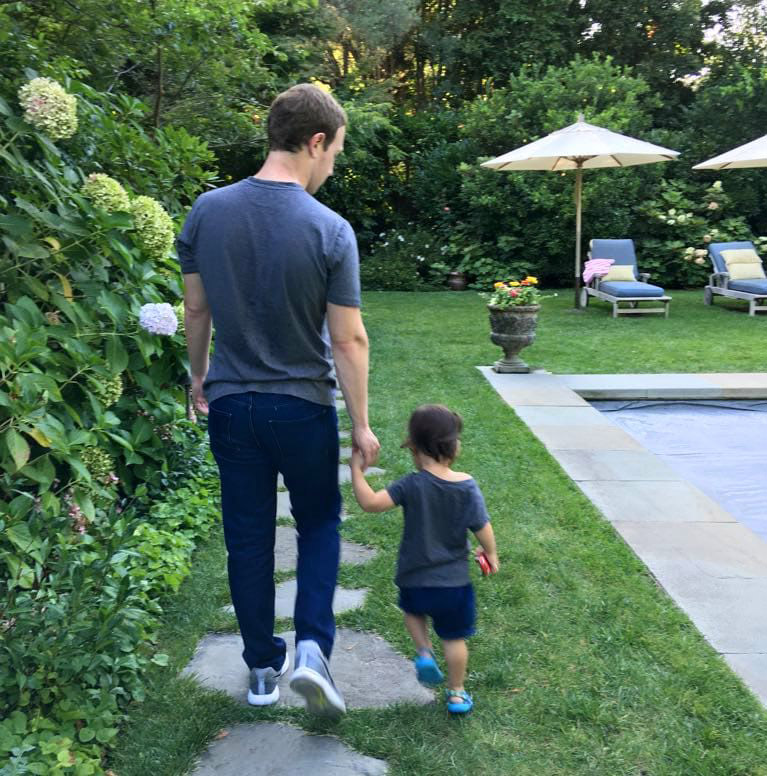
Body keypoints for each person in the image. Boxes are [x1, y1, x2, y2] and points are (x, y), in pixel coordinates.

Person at [178, 83, 380, 720]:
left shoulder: (206, 212)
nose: (333, 168)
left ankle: (263, 668)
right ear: (315, 141)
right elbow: (348, 339)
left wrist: (199, 377)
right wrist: (362, 426)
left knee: (247, 538)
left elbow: (196, 309)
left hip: (233, 407)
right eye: (335, 153)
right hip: (303, 409)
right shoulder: (329, 229)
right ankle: (313, 649)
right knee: (318, 525)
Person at [349, 404, 498, 715]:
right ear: (454, 447)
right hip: (454, 585)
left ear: (414, 449)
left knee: (413, 613)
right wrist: (490, 553)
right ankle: (456, 693)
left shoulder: (411, 484)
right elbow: (482, 526)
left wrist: (356, 470)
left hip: (414, 578)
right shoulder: (466, 486)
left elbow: (371, 503)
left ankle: (424, 651)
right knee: (454, 639)